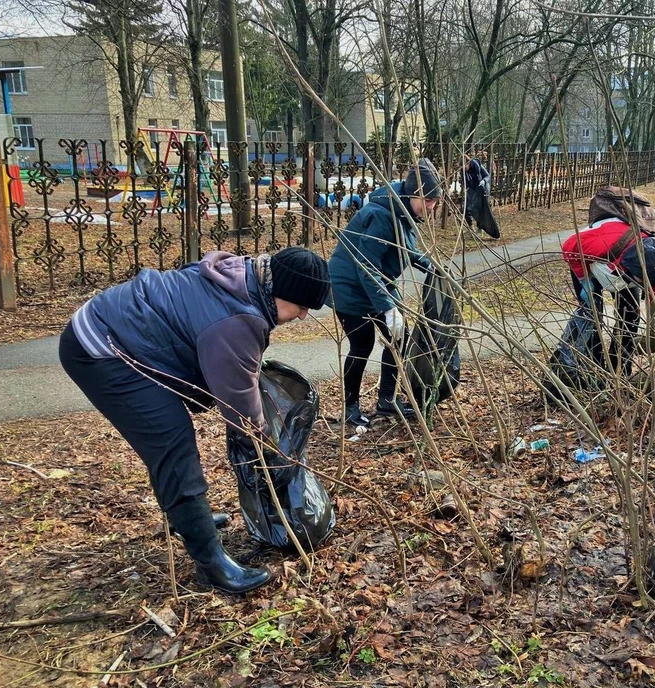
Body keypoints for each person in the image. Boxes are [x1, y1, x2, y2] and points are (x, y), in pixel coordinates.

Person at [59, 247, 331, 594]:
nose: (304, 316)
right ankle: (212, 564)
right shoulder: (236, 321)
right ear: (281, 292)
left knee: (168, 438)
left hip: (122, 328)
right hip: (102, 350)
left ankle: (189, 520)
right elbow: (241, 412)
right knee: (171, 444)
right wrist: (269, 449)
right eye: (302, 306)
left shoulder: (246, 277)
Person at [329, 158, 440, 427]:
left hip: (376, 283)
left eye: (434, 201)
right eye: (427, 200)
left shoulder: (403, 212)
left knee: (398, 337)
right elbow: (366, 265)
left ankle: (387, 400)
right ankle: (350, 407)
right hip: (349, 288)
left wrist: (431, 266)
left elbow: (404, 248)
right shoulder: (382, 215)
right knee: (362, 343)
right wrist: (388, 307)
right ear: (413, 193)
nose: (431, 206)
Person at [562, 198, 655, 372]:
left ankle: (620, 370)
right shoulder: (602, 242)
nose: (643, 284)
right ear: (627, 266)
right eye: (639, 280)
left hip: (623, 264)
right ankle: (594, 368)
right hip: (588, 260)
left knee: (630, 316)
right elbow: (569, 247)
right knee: (592, 315)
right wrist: (585, 281)